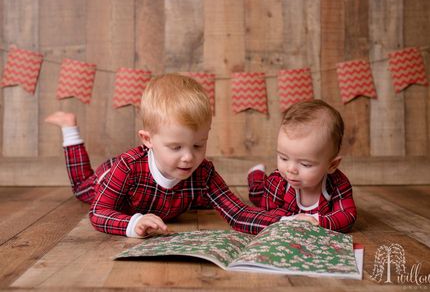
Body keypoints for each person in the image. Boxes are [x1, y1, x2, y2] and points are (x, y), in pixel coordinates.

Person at [46, 74, 304, 238]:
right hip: (108, 179)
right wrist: (132, 223)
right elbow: (99, 213)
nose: (188, 158)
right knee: (82, 189)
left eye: (198, 145)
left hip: (166, 200)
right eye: (176, 147)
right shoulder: (127, 167)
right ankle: (70, 129)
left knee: (204, 197)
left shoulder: (202, 171)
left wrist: (287, 221)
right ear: (148, 139)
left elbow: (237, 213)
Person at [248, 100, 356, 233]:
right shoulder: (278, 181)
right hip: (267, 194)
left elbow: (347, 215)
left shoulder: (337, 183)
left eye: (305, 164)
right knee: (256, 193)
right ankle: (255, 173)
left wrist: (316, 221)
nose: (291, 169)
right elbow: (268, 211)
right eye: (283, 158)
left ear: (332, 165)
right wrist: (292, 219)